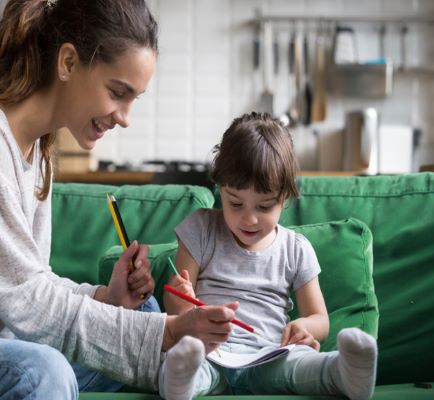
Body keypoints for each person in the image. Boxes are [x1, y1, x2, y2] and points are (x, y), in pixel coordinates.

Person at [0, 1, 241, 399]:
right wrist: (168, 332)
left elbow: (32, 282)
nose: (125, 117)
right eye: (118, 93)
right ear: (68, 62)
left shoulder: (39, 151)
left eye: (134, 98)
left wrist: (108, 297)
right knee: (42, 372)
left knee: (141, 313)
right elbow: (27, 301)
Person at [160, 112, 378, 400]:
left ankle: (343, 373)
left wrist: (303, 326)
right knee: (186, 361)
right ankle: (179, 381)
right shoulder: (201, 228)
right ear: (220, 188)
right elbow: (178, 307)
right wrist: (180, 300)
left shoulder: (295, 249)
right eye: (235, 203)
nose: (249, 219)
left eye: (264, 207)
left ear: (284, 198)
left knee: (300, 365)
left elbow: (319, 319)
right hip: (211, 352)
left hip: (268, 356)